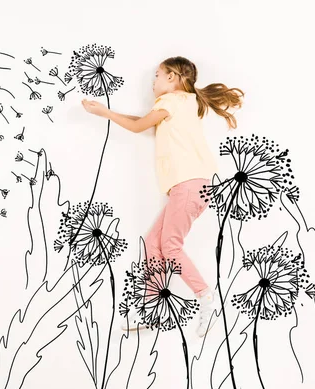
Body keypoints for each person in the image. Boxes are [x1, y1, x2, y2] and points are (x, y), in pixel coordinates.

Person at [81, 56, 244, 337]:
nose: (152, 82)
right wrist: (108, 111)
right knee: (153, 244)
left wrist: (104, 113)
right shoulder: (186, 103)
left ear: (172, 78)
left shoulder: (170, 102)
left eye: (157, 75)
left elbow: (137, 126)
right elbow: (142, 122)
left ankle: (206, 296)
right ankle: (151, 309)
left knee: (169, 245)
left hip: (188, 185)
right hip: (192, 186)